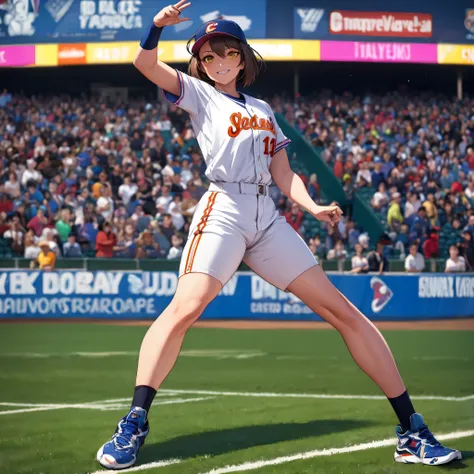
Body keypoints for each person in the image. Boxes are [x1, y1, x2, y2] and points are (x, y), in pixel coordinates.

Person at [96, 4, 460, 470]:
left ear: (243, 57)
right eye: (208, 56)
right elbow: (145, 66)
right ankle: (134, 423)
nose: (219, 61)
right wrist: (155, 29)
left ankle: (412, 430)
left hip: (266, 216)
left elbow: (283, 173)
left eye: (228, 51)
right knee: (187, 306)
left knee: (342, 312)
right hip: (223, 208)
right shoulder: (200, 95)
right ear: (201, 65)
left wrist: (311, 206)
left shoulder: (264, 110)